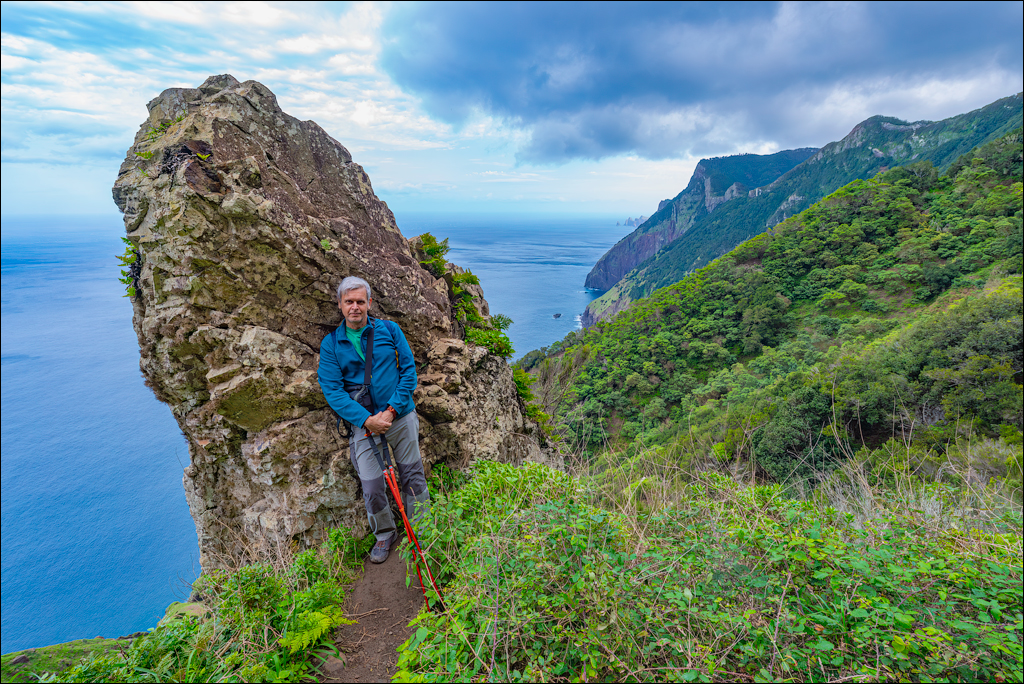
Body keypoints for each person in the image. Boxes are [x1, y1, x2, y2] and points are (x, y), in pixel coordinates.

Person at [317, 276, 430, 563]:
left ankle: (422, 528)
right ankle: (384, 533)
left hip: (399, 416)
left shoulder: (390, 330)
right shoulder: (331, 344)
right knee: (371, 484)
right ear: (340, 304)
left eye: (360, 301)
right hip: (364, 424)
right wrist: (367, 420)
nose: (355, 307)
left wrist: (391, 410)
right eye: (349, 302)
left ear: (369, 302)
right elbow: (332, 391)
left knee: (412, 473)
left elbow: (409, 372)